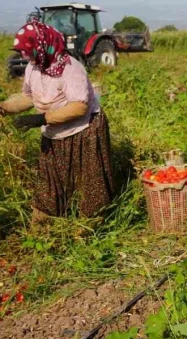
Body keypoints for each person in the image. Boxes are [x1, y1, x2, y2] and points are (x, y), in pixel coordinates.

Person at [0, 19, 114, 220]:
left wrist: (42, 118)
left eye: (28, 50)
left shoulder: (71, 68)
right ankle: (44, 219)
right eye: (22, 51)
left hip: (83, 130)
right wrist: (5, 107)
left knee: (88, 180)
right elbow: (28, 96)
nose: (24, 55)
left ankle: (92, 223)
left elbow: (79, 107)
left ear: (43, 46)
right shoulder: (33, 68)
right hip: (54, 131)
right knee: (50, 180)